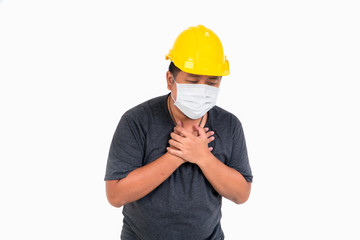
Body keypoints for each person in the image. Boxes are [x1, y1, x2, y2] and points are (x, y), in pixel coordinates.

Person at [104, 25, 253, 240]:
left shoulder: (230, 125)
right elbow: (116, 195)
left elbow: (241, 194)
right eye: (192, 81)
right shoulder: (136, 121)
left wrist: (203, 158)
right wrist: (176, 155)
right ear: (169, 80)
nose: (202, 89)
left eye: (212, 82)